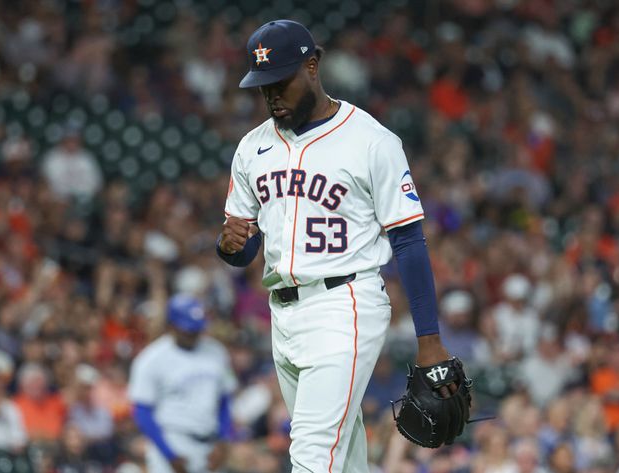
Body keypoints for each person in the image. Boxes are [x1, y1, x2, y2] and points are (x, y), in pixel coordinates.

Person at [218, 19, 465, 472]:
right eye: (262, 86)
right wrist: (230, 245)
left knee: (311, 453)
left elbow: (408, 240)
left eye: (280, 82)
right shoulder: (252, 147)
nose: (271, 95)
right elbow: (245, 248)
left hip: (345, 305)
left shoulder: (370, 141)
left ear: (312, 66)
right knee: (343, 454)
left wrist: (429, 340)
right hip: (283, 311)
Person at [128, 295, 236, 473]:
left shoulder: (216, 351)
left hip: (210, 444)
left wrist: (223, 440)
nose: (193, 334)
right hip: (172, 440)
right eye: (188, 329)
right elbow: (142, 412)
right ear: (171, 326)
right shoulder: (151, 358)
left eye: (196, 329)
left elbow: (224, 400)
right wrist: (169, 455)